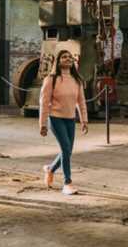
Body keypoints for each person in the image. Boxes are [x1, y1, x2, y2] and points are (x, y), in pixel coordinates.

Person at [39, 49, 88, 195]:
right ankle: (67, 183)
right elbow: (44, 102)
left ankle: (50, 169)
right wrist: (42, 124)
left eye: (70, 57)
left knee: (67, 151)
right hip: (55, 118)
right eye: (64, 57)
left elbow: (81, 101)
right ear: (58, 61)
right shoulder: (50, 79)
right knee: (66, 149)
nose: (67, 59)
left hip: (70, 119)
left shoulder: (76, 80)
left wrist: (84, 120)